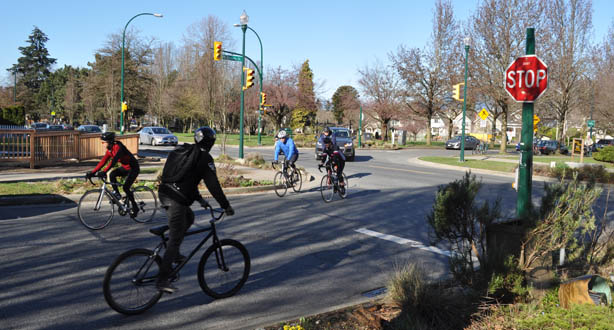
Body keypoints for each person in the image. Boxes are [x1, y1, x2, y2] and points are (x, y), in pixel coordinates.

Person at [156, 126, 234, 293]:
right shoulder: (205, 158)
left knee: (189, 218)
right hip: (176, 199)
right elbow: (213, 185)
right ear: (211, 142)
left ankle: (175, 254)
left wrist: (199, 199)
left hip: (165, 192)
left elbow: (186, 179)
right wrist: (225, 205)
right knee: (175, 238)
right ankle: (162, 279)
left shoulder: (184, 151)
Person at [86, 132, 140, 216]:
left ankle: (135, 207)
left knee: (126, 187)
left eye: (104, 142)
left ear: (110, 142)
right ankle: (117, 195)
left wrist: (104, 171)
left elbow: (114, 161)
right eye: (102, 142)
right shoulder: (109, 151)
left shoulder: (119, 147)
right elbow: (103, 162)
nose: (102, 144)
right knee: (112, 174)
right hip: (125, 168)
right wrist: (92, 172)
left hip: (134, 168)